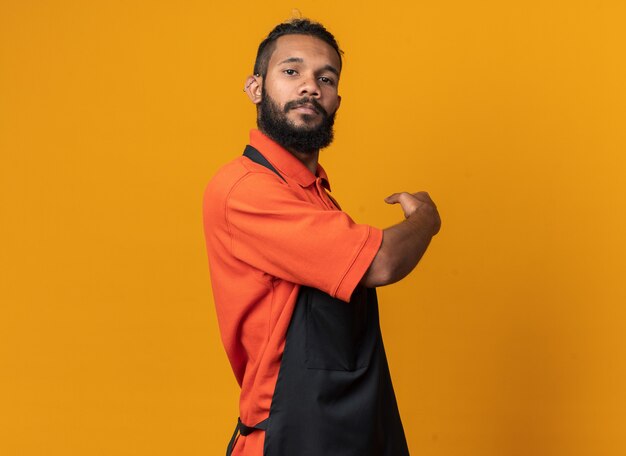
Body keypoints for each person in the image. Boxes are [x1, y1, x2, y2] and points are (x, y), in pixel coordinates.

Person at [203, 18, 441, 456]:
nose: (310, 87)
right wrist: (425, 218)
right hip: (289, 440)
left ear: (336, 100)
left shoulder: (316, 198)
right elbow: (381, 262)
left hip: (351, 433)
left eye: (324, 78)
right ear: (255, 87)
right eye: (291, 72)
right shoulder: (246, 189)